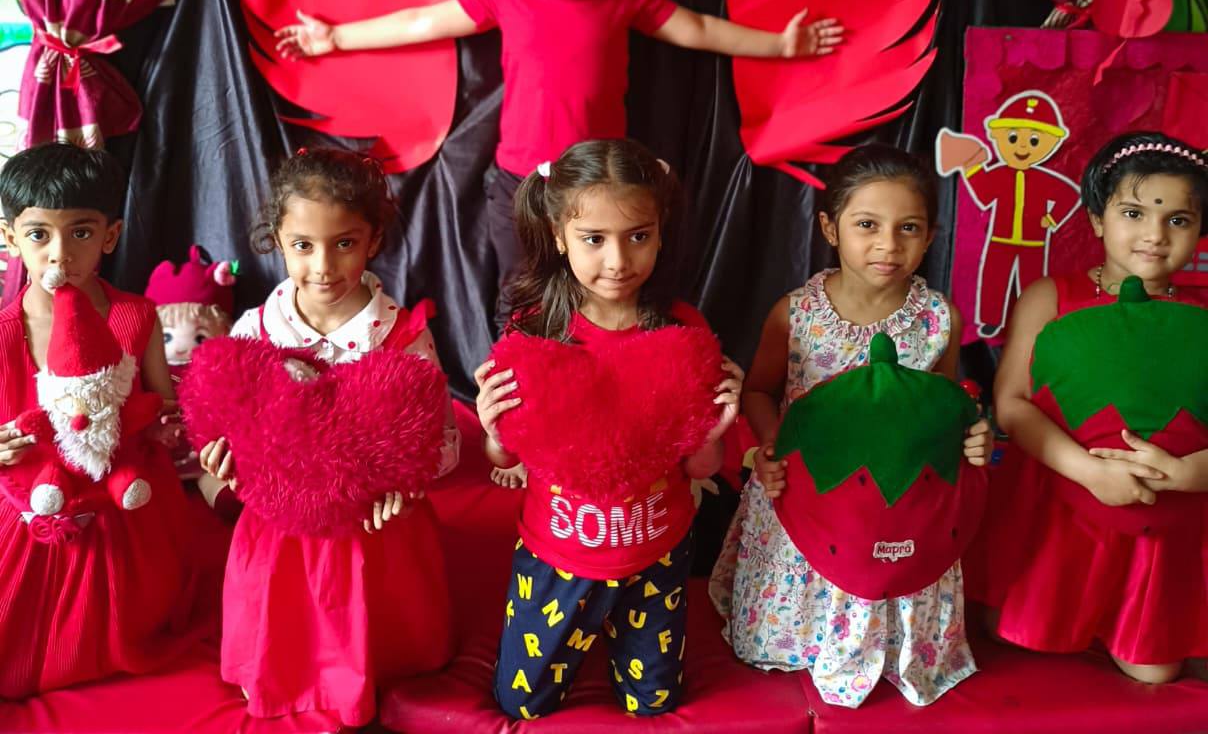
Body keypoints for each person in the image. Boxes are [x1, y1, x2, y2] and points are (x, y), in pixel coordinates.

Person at [275, 0, 843, 320]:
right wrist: (335, 38)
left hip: (601, 186)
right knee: (520, 293)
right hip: (519, 184)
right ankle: (519, 391)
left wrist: (779, 46)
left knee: (609, 291)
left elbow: (695, 29)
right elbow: (421, 23)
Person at [710, 145, 992, 708]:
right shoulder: (796, 314)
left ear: (931, 237)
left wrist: (974, 435)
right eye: (867, 225)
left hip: (898, 509)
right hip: (807, 494)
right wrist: (771, 445)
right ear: (829, 228)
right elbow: (760, 391)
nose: (889, 244)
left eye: (908, 227)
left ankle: (894, 649)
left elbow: (946, 408)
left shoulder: (940, 319)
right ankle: (801, 638)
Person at [474, 139, 742, 717]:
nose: (618, 260)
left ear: (661, 232)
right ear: (558, 235)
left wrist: (714, 429)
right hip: (557, 557)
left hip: (656, 555)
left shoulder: (680, 332)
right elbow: (503, 458)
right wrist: (493, 428)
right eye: (594, 239)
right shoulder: (535, 332)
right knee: (521, 703)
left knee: (654, 703)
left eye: (637, 236)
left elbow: (701, 466)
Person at [200, 148, 460, 725]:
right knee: (285, 613)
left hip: (372, 527)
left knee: (366, 612)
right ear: (278, 239)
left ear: (373, 240)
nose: (323, 265)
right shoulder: (255, 330)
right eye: (303, 245)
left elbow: (442, 439)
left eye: (344, 243)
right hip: (282, 525)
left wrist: (404, 481)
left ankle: (371, 667)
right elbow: (229, 421)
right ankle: (284, 667)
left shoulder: (402, 336)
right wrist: (223, 455)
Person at [986, 132, 1208, 683]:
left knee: (1155, 673)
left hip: (1169, 527)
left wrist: (1191, 472)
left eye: (1178, 220)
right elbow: (1011, 404)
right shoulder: (1050, 297)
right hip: (1059, 513)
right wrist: (1089, 471)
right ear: (1096, 220)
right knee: (1016, 642)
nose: (1155, 234)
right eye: (1134, 213)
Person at [0, 143, 209, 697]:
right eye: (39, 235)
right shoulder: (3, 331)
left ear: (110, 236)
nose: (60, 255)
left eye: (81, 233)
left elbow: (163, 405)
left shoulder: (134, 316)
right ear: (10, 238)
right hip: (30, 499)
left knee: (135, 615)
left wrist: (168, 428)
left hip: (123, 498)